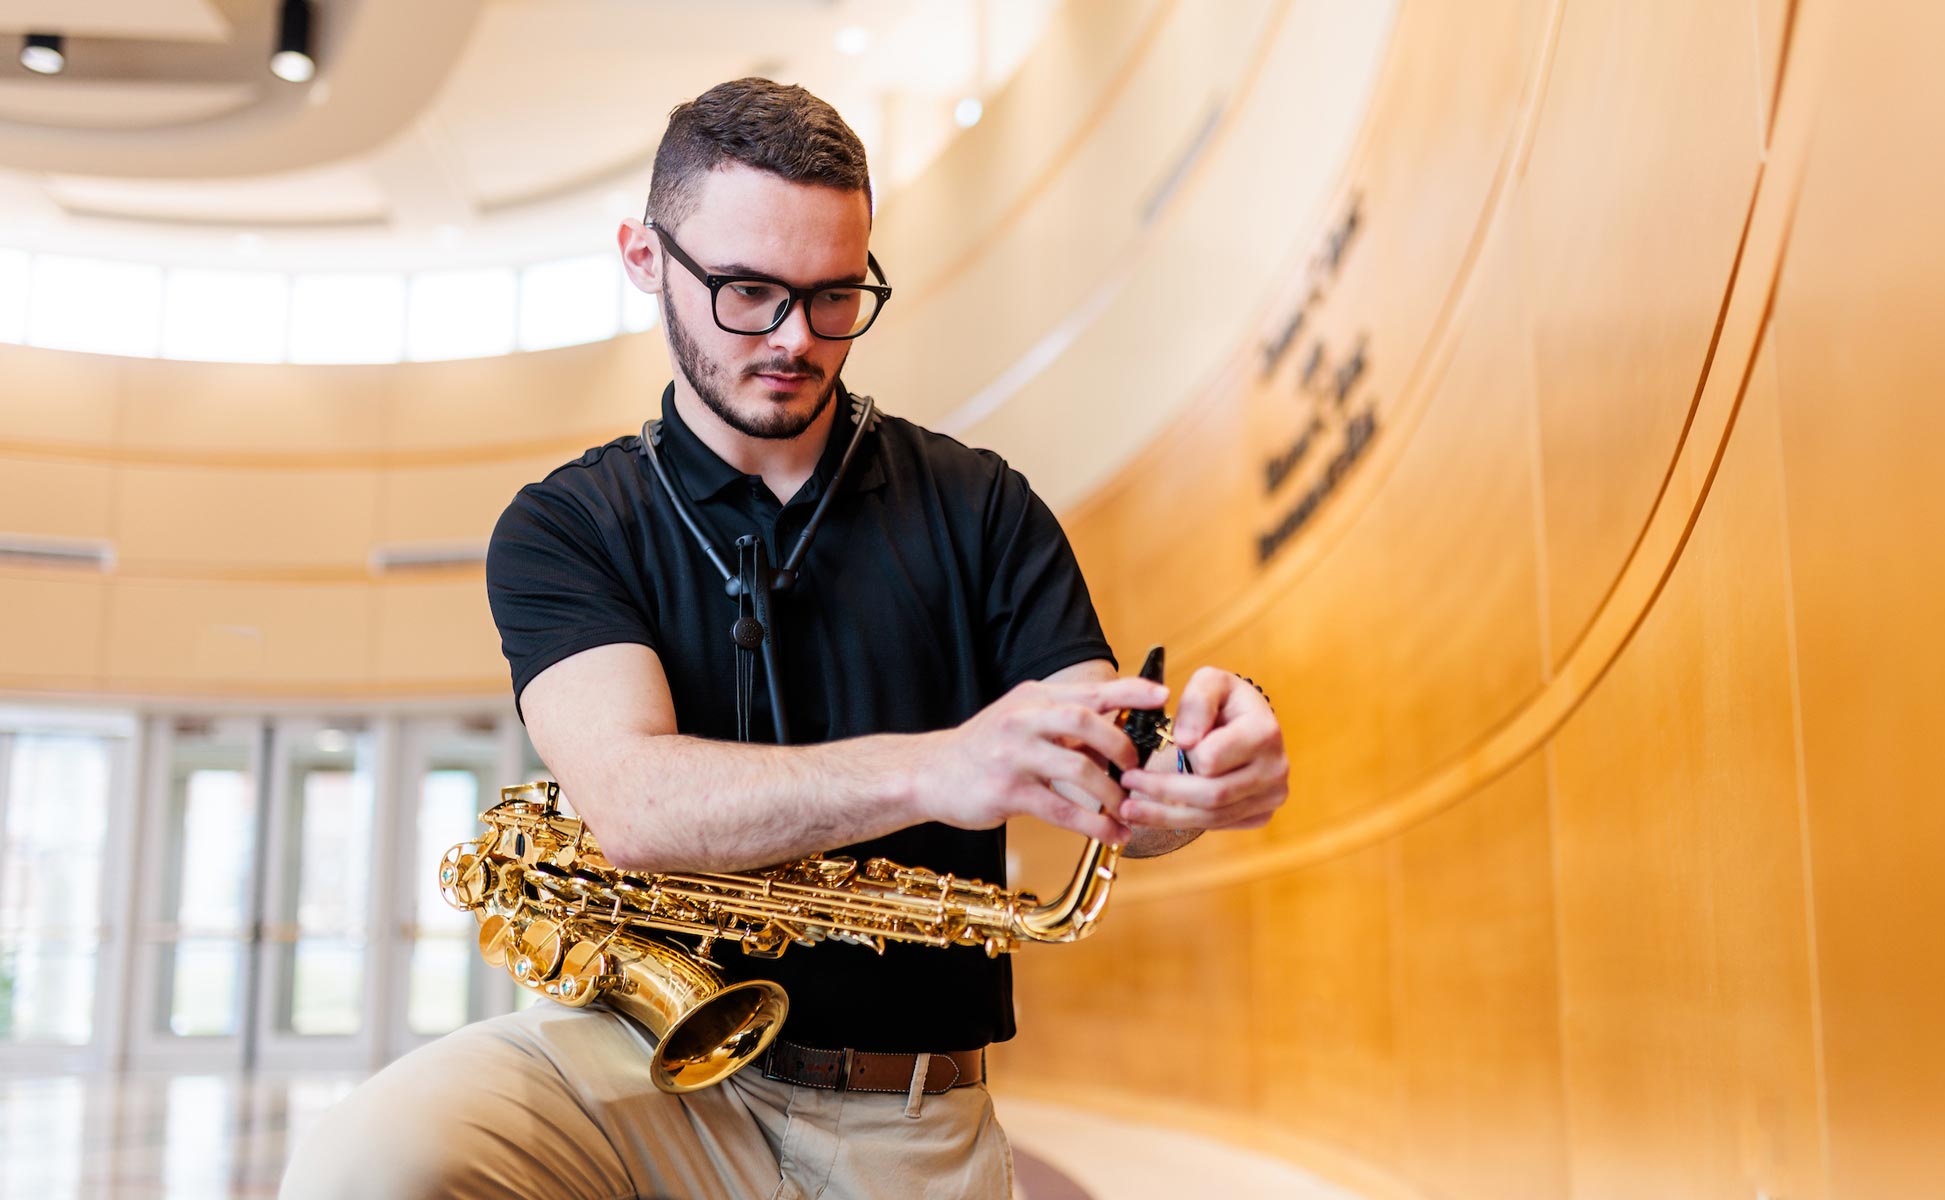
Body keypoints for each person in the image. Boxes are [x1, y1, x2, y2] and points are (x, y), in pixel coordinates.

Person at [280, 78, 1288, 1200]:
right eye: (749, 292)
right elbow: (634, 800)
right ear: (644, 257)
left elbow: (1108, 771)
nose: (798, 340)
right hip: (629, 1078)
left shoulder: (983, 505)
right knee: (367, 1163)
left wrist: (1194, 770)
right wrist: (944, 763)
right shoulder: (566, 524)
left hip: (907, 1113)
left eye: (835, 295)